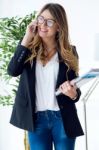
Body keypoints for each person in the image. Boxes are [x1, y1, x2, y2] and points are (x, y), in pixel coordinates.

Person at [7, 3, 84, 150]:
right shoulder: (27, 49)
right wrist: (27, 36)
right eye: (41, 19)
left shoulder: (70, 52)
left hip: (62, 118)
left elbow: (76, 91)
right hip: (36, 120)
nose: (43, 25)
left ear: (59, 27)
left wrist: (73, 94)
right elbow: (12, 71)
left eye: (49, 21)